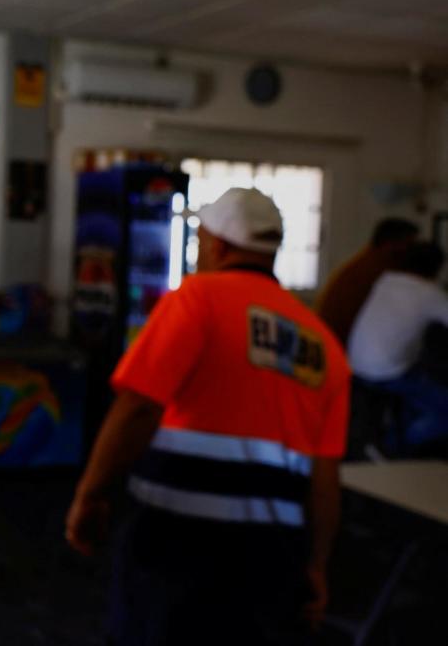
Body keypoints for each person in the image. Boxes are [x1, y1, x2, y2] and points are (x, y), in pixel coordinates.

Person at [65, 188, 350, 645]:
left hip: (177, 538)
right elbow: (324, 474)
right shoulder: (323, 343)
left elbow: (139, 407)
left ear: (217, 245)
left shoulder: (197, 299)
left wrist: (90, 493)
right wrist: (316, 564)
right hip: (273, 550)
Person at [348, 242, 448, 450]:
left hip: (355, 364)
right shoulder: (430, 294)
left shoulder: (386, 280)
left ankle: (391, 435)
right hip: (387, 372)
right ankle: (398, 445)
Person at [315, 218, 418, 345]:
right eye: (409, 244)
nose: (412, 251)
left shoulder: (371, 260)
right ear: (391, 243)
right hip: (338, 341)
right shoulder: (375, 269)